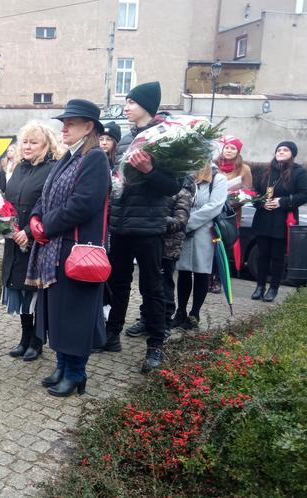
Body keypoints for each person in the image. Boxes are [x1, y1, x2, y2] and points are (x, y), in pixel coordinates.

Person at [25, 99, 109, 397]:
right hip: (55, 249)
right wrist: (35, 218)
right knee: (58, 312)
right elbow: (46, 194)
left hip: (76, 251)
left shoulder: (95, 159)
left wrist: (45, 226)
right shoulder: (67, 158)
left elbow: (83, 204)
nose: (64, 128)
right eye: (64, 123)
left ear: (89, 128)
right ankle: (62, 365)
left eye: (70, 123)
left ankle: (76, 373)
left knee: (75, 315)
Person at [100, 81, 182, 373]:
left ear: (146, 106)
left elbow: (174, 187)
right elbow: (116, 176)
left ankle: (156, 344)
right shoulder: (123, 141)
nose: (126, 106)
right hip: (120, 224)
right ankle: (112, 334)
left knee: (152, 286)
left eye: (132, 102)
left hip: (148, 226)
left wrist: (150, 170)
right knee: (117, 282)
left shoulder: (166, 138)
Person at [2, 121, 60, 361]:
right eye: (24, 141)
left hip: (37, 240)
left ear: (46, 145)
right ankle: (25, 337)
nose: (27, 146)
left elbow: (49, 206)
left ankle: (37, 341)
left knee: (35, 293)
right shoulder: (18, 167)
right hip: (14, 240)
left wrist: (28, 230)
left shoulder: (52, 169)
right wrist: (2, 223)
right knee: (20, 290)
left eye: (33, 142)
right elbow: (9, 201)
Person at [125, 177, 195, 339]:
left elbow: (180, 221)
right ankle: (145, 319)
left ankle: (164, 322)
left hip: (168, 248)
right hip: (149, 245)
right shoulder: (155, 189)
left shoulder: (183, 193)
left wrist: (153, 218)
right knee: (147, 285)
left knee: (164, 286)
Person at [250, 141, 307, 302]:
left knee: (277, 256)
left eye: (285, 150)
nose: (281, 152)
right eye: (279, 149)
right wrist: (261, 202)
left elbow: (304, 194)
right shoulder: (265, 171)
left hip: (282, 219)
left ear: (292, 154)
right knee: (262, 255)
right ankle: (259, 286)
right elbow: (255, 192)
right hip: (264, 217)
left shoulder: (299, 172)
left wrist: (282, 201)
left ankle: (273, 288)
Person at [172, 164, 227, 329]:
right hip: (183, 230)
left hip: (204, 230)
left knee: (201, 271)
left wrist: (187, 222)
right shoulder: (186, 174)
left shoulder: (218, 179)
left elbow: (214, 207)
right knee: (184, 271)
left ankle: (194, 314)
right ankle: (180, 312)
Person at [209, 135, 252, 292]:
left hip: (230, 214)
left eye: (232, 148)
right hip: (213, 210)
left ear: (237, 151)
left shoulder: (244, 169)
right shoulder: (213, 165)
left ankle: (219, 280)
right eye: (227, 147)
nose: (229, 150)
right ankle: (208, 277)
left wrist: (233, 200)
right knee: (210, 244)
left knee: (224, 246)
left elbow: (248, 192)